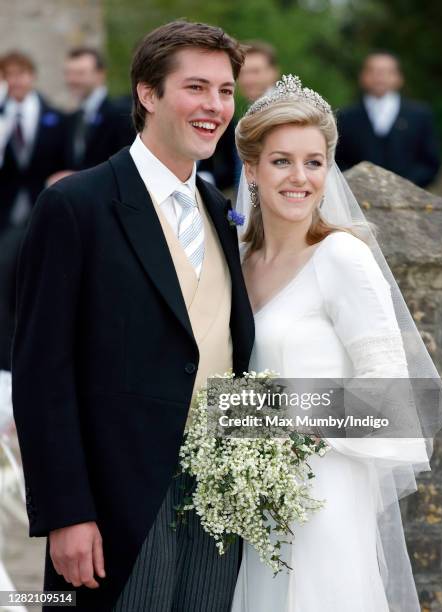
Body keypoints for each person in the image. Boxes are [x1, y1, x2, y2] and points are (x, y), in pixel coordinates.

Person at [12, 20, 253, 612]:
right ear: (147, 94)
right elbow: (43, 375)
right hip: (114, 506)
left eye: (225, 91)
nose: (215, 107)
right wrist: (67, 513)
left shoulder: (219, 210)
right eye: (196, 88)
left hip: (219, 498)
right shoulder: (75, 205)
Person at [230, 75, 442, 611]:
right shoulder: (236, 263)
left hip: (323, 501)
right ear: (252, 170)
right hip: (248, 503)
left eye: (314, 161)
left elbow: (397, 404)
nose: (300, 177)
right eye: (282, 160)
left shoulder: (341, 257)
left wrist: (265, 416)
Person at [336, 51, 441, 187]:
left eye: (386, 71)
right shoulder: (346, 116)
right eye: (373, 71)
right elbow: (338, 160)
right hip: (356, 197)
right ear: (362, 77)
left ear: (399, 78)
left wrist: (407, 185)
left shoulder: (420, 115)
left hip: (409, 199)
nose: (379, 77)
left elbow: (430, 162)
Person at [0, 51, 67, 232]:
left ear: (32, 76)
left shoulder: (57, 118)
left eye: (20, 74)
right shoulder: (2, 115)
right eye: (8, 75)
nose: (15, 81)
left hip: (43, 201)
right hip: (5, 207)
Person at [63, 47, 135, 171]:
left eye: (80, 73)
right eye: (69, 73)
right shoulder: (72, 118)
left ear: (100, 74)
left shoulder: (122, 114)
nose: (72, 80)